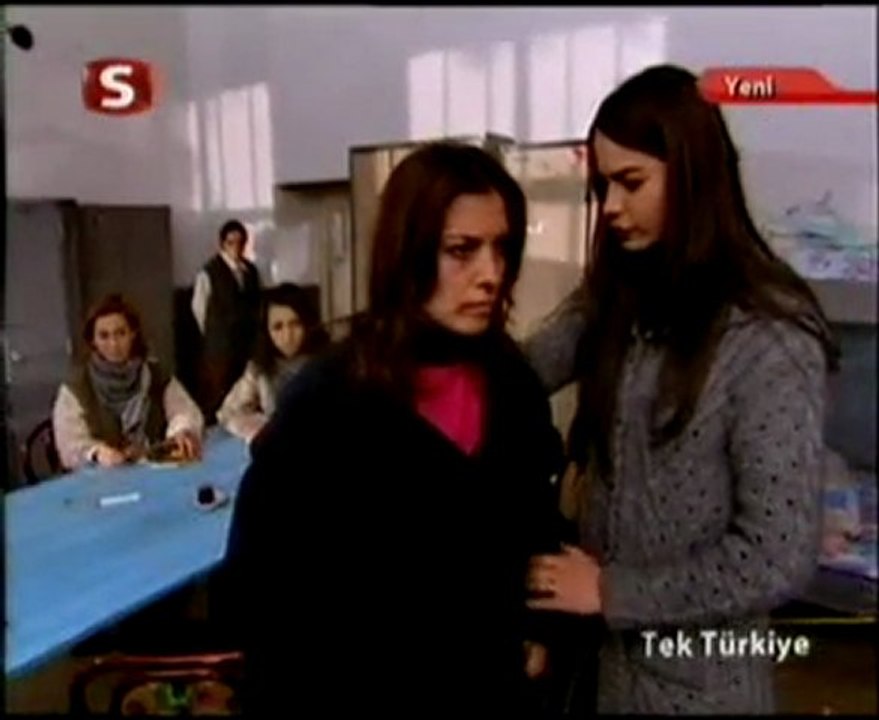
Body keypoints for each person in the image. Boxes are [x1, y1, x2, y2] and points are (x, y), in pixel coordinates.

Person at [522, 64, 839, 715]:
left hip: (701, 695)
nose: (611, 206)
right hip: (594, 678)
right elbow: (517, 376)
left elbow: (776, 556)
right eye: (602, 186)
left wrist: (612, 592)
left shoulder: (768, 336)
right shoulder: (615, 299)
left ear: (693, 174)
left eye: (631, 182)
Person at [223, 142, 571, 716]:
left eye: (502, 248)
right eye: (461, 250)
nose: (491, 274)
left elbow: (536, 528)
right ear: (407, 254)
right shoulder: (328, 400)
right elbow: (258, 592)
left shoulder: (514, 387)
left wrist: (540, 630)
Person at [53, 293, 204, 470]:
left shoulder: (155, 374)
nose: (114, 344)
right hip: (103, 478)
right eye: (104, 336)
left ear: (133, 334)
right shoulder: (77, 387)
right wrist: (96, 453)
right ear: (93, 341)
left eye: (121, 333)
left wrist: (181, 430)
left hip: (154, 471)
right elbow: (69, 444)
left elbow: (184, 410)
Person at [216, 282, 329, 442]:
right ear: (266, 331)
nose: (288, 336)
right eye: (278, 327)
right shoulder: (259, 367)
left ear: (308, 324)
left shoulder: (329, 361)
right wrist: (264, 429)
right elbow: (228, 412)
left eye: (295, 324)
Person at [191, 219, 262, 421]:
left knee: (245, 395)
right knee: (218, 394)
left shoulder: (250, 271)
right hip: (220, 347)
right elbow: (199, 307)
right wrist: (215, 333)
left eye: (240, 242)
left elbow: (257, 305)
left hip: (246, 345)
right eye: (231, 242)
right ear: (222, 244)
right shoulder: (209, 272)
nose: (236, 247)